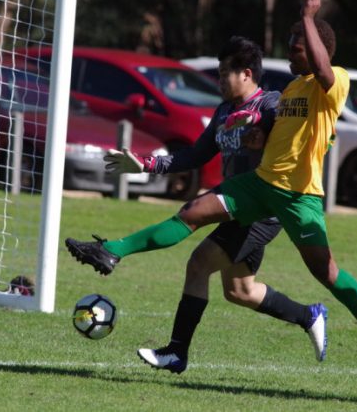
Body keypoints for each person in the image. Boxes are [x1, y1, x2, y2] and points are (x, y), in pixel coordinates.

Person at [66, 0, 357, 377]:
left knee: (326, 273)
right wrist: (259, 137)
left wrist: (309, 18)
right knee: (192, 213)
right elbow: (271, 136)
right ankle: (113, 251)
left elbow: (323, 72)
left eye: (296, 45)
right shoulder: (290, 88)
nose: (289, 51)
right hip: (258, 186)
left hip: (297, 198)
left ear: (315, 49)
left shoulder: (334, 81)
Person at [101, 35, 328, 373]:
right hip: (236, 205)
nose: (220, 80)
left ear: (247, 74)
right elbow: (194, 155)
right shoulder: (224, 111)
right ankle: (309, 315)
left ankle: (176, 352)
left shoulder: (271, 105)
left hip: (261, 209)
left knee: (197, 263)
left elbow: (293, 134)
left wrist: (258, 128)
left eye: (225, 73)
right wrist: (145, 164)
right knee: (240, 290)